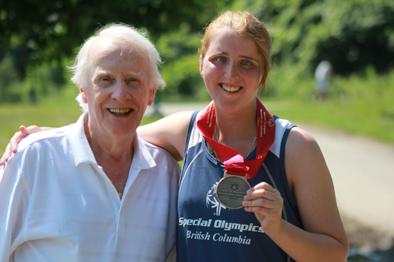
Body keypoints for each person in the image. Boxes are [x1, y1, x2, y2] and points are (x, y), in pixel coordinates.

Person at [1, 11, 348, 262]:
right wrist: (46, 138)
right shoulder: (186, 131)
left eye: (247, 63)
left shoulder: (295, 147)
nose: (231, 74)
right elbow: (115, 129)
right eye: (219, 59)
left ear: (264, 74)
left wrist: (279, 228)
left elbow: (336, 253)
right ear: (201, 64)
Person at [0, 24, 179, 261]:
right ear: (84, 91)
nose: (120, 94)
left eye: (133, 81)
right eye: (105, 79)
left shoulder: (166, 173)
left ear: (151, 94)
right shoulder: (33, 158)